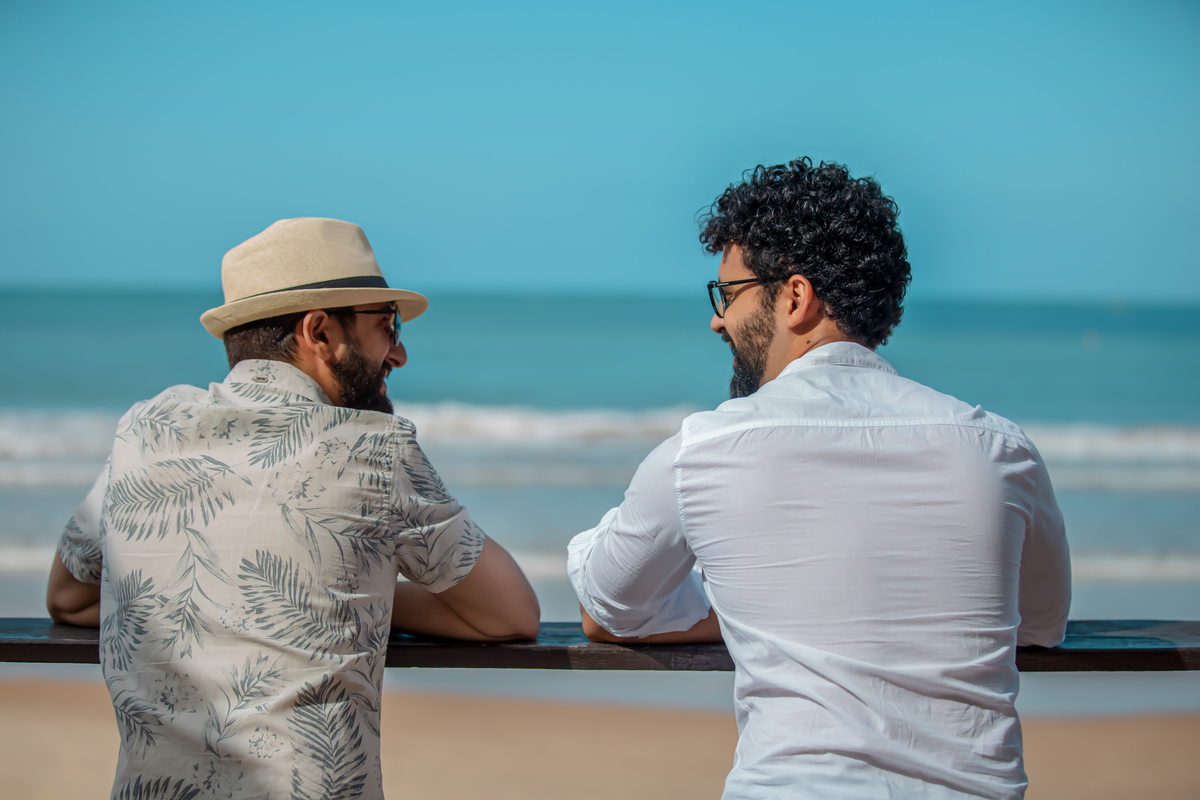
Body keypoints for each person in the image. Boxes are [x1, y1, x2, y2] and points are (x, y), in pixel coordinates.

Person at [567, 159, 1070, 799]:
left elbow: (608, 606)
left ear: (795, 297)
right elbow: (1041, 624)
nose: (717, 320)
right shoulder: (999, 448)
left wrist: (748, 594)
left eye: (728, 293)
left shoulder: (707, 449)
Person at [46, 217, 540, 799]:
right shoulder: (371, 448)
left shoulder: (146, 430)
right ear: (320, 331)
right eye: (387, 327)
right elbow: (511, 614)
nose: (400, 353)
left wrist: (218, 592)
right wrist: (357, 593)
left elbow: (68, 597)